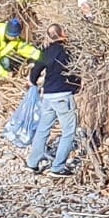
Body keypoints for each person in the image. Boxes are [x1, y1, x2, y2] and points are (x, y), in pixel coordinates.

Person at [27, 23, 81, 176]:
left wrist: (33, 82)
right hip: (63, 96)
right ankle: (58, 168)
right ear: (62, 33)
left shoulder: (46, 52)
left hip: (48, 95)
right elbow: (77, 71)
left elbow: (34, 73)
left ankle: (32, 164)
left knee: (43, 129)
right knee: (68, 132)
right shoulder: (69, 51)